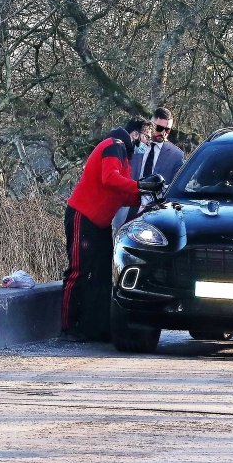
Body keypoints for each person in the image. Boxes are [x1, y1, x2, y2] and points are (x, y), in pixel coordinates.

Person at [62, 117, 163, 342]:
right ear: (135, 134)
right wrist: (140, 185)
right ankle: (68, 327)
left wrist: (148, 195)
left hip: (100, 222)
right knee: (78, 271)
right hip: (84, 216)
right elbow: (109, 179)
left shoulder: (123, 157)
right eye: (146, 136)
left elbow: (122, 193)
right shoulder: (114, 145)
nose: (147, 142)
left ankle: (96, 327)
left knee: (102, 275)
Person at [114, 107, 185, 228]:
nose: (163, 133)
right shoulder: (134, 144)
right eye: (159, 128)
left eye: (168, 130)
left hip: (154, 212)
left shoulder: (176, 155)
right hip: (126, 205)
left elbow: (178, 187)